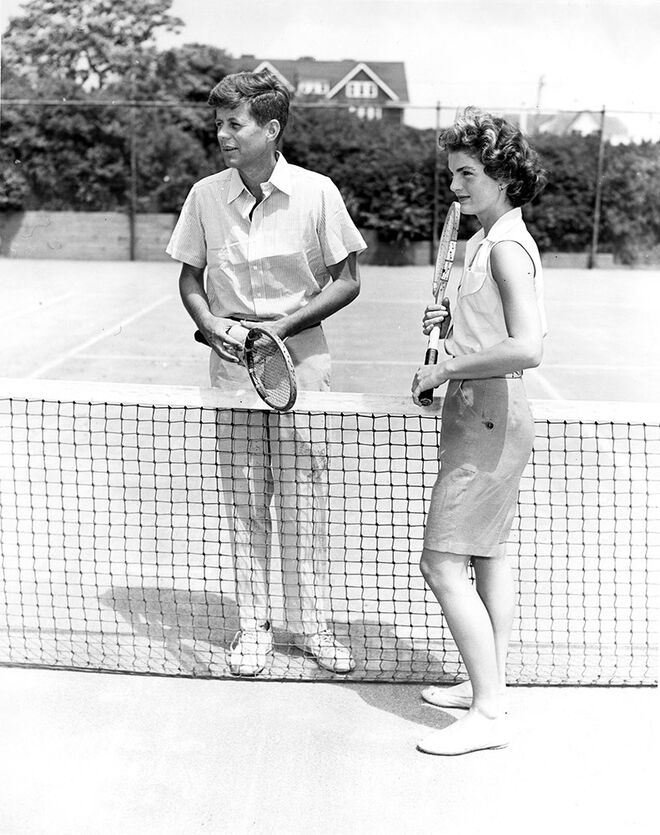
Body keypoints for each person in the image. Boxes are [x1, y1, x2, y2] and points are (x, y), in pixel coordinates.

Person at [166, 70, 366, 676]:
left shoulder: (317, 192)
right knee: (245, 501)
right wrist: (214, 325)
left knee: (305, 501)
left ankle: (312, 626)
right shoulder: (204, 195)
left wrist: (280, 330)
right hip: (231, 363)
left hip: (299, 356)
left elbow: (349, 279)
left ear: (271, 129)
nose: (222, 134)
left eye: (235, 124)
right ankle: (253, 626)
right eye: (219, 124)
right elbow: (190, 281)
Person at [411, 107, 547, 755]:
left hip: (491, 414)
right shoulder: (479, 243)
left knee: (441, 562)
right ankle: (483, 683)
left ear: (504, 177)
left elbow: (527, 347)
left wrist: (446, 370)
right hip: (476, 413)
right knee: (489, 555)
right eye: (453, 174)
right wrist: (444, 321)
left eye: (468, 174)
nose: (457, 187)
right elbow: (480, 330)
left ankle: (489, 713)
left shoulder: (510, 249)